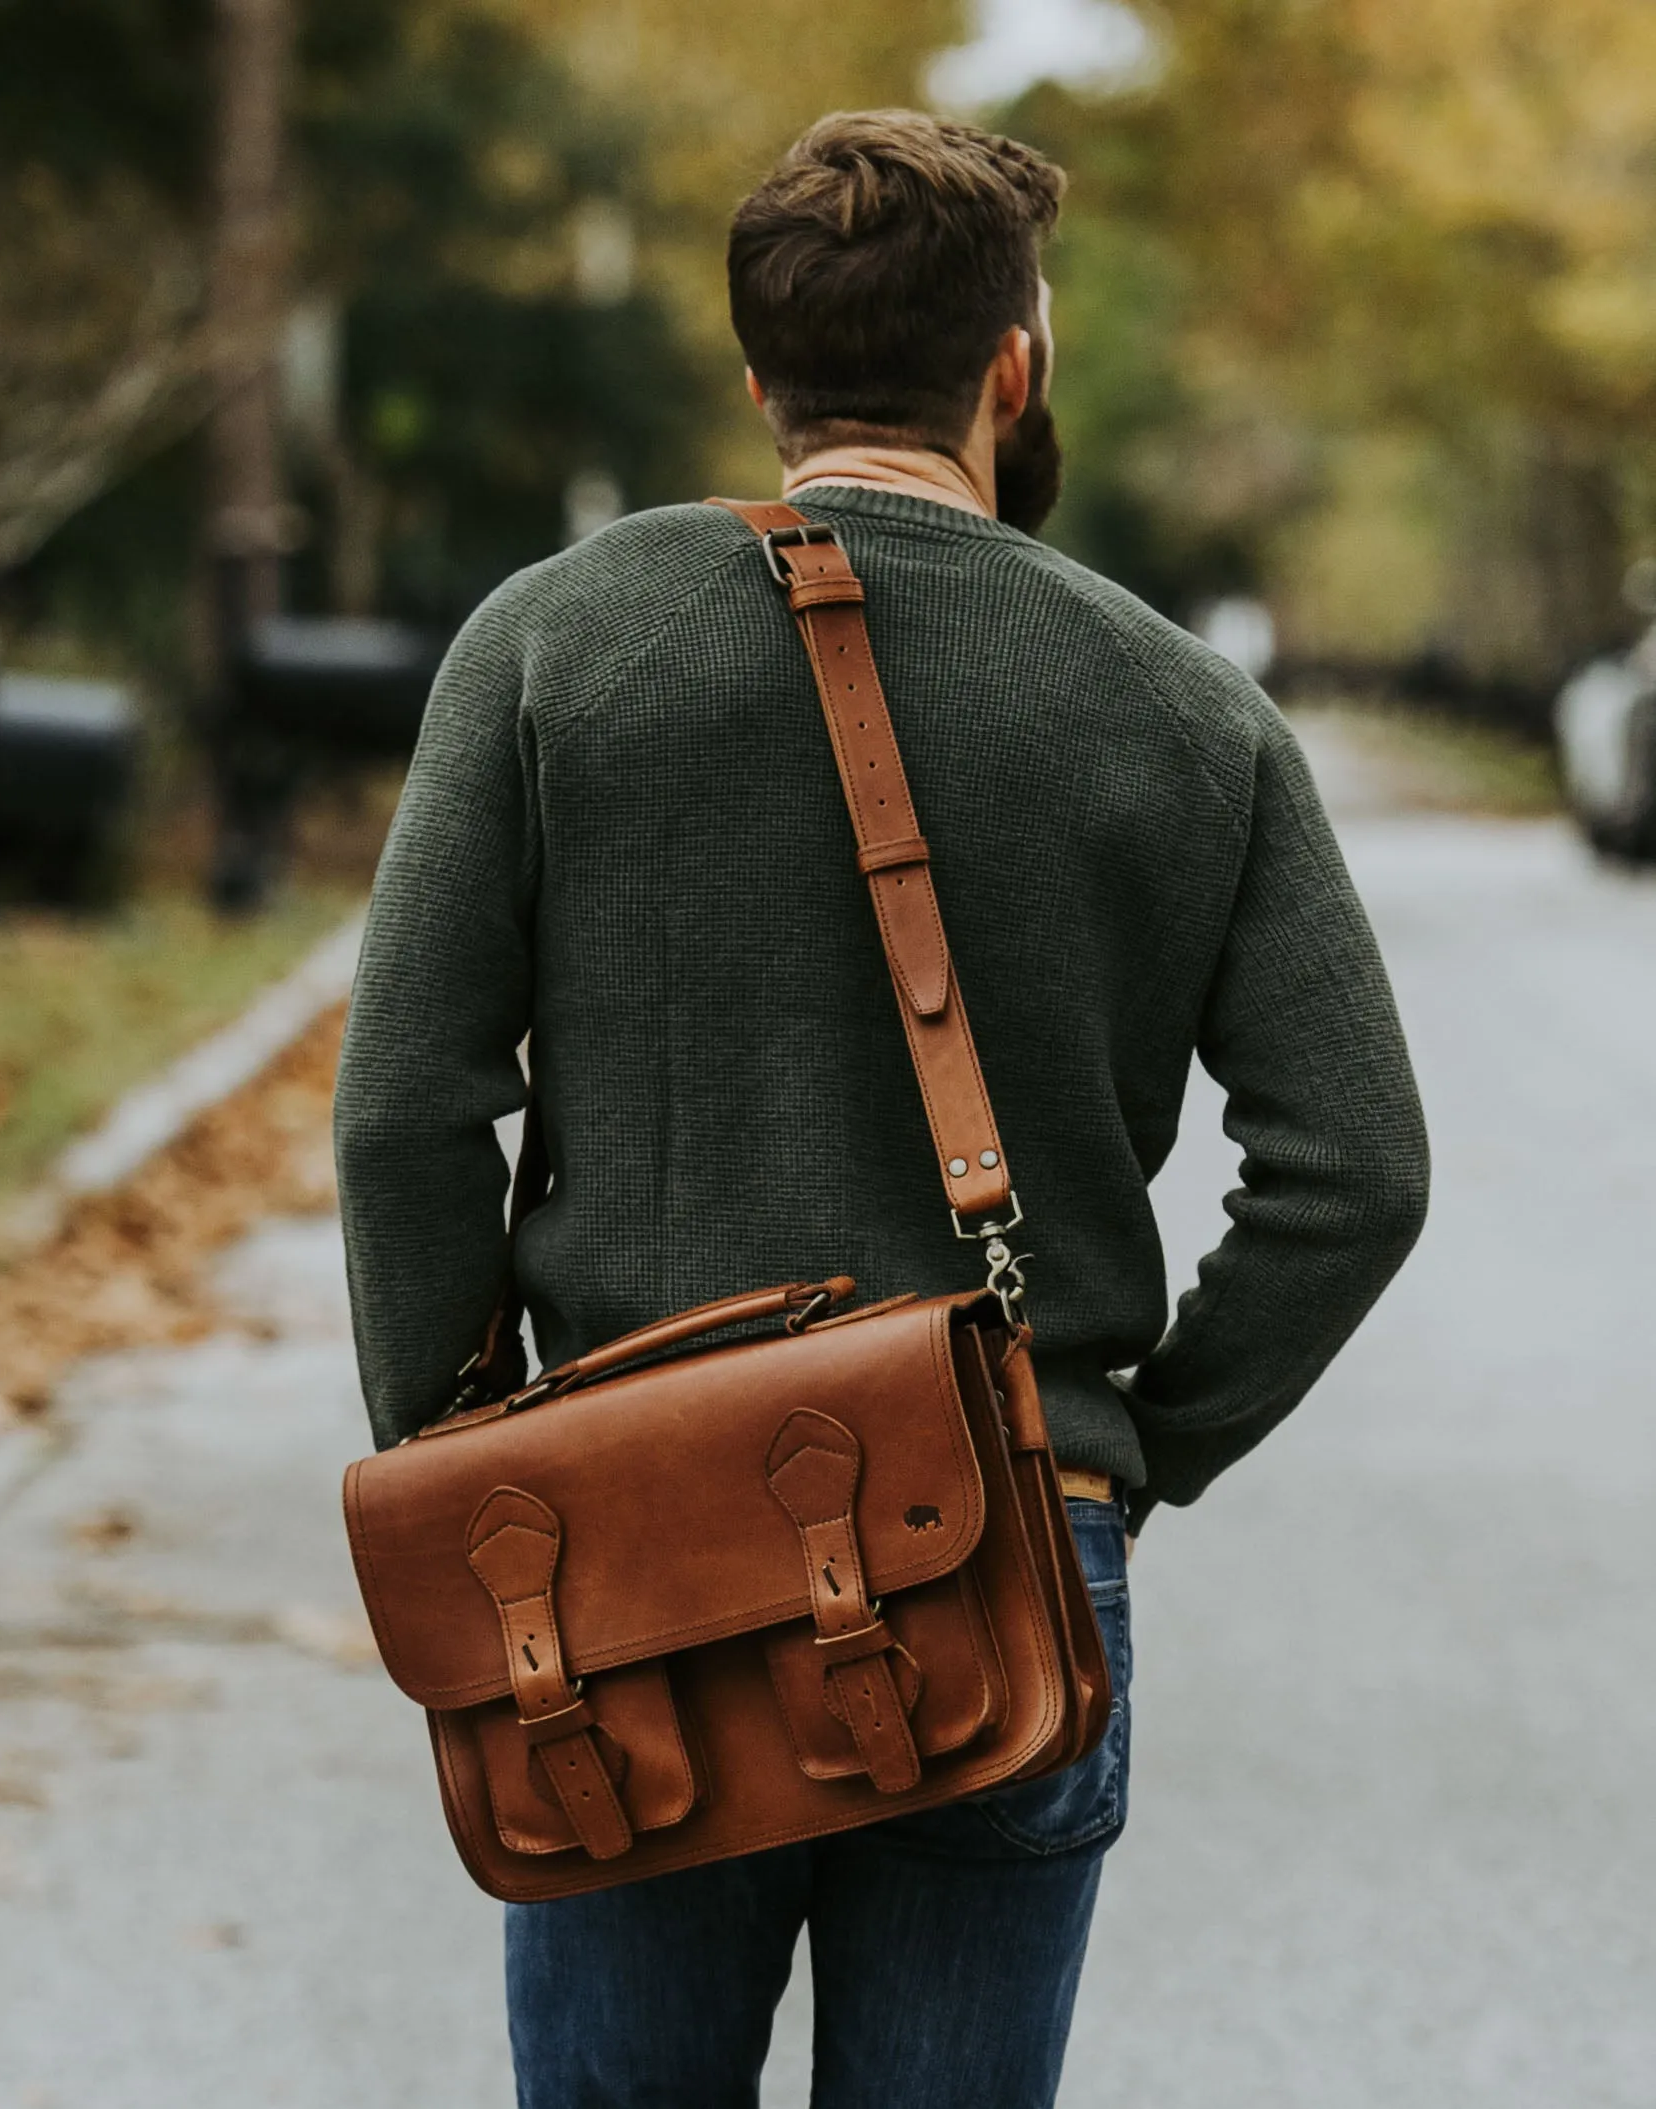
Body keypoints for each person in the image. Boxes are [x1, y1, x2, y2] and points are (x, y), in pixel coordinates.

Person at [334, 109, 1428, 2109]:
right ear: (1014, 364)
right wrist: (1117, 1452)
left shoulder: (550, 645)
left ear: (758, 377)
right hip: (1013, 1549)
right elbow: (1356, 1172)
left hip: (614, 1565)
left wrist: (461, 1459)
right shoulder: (1186, 712)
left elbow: (408, 1108)